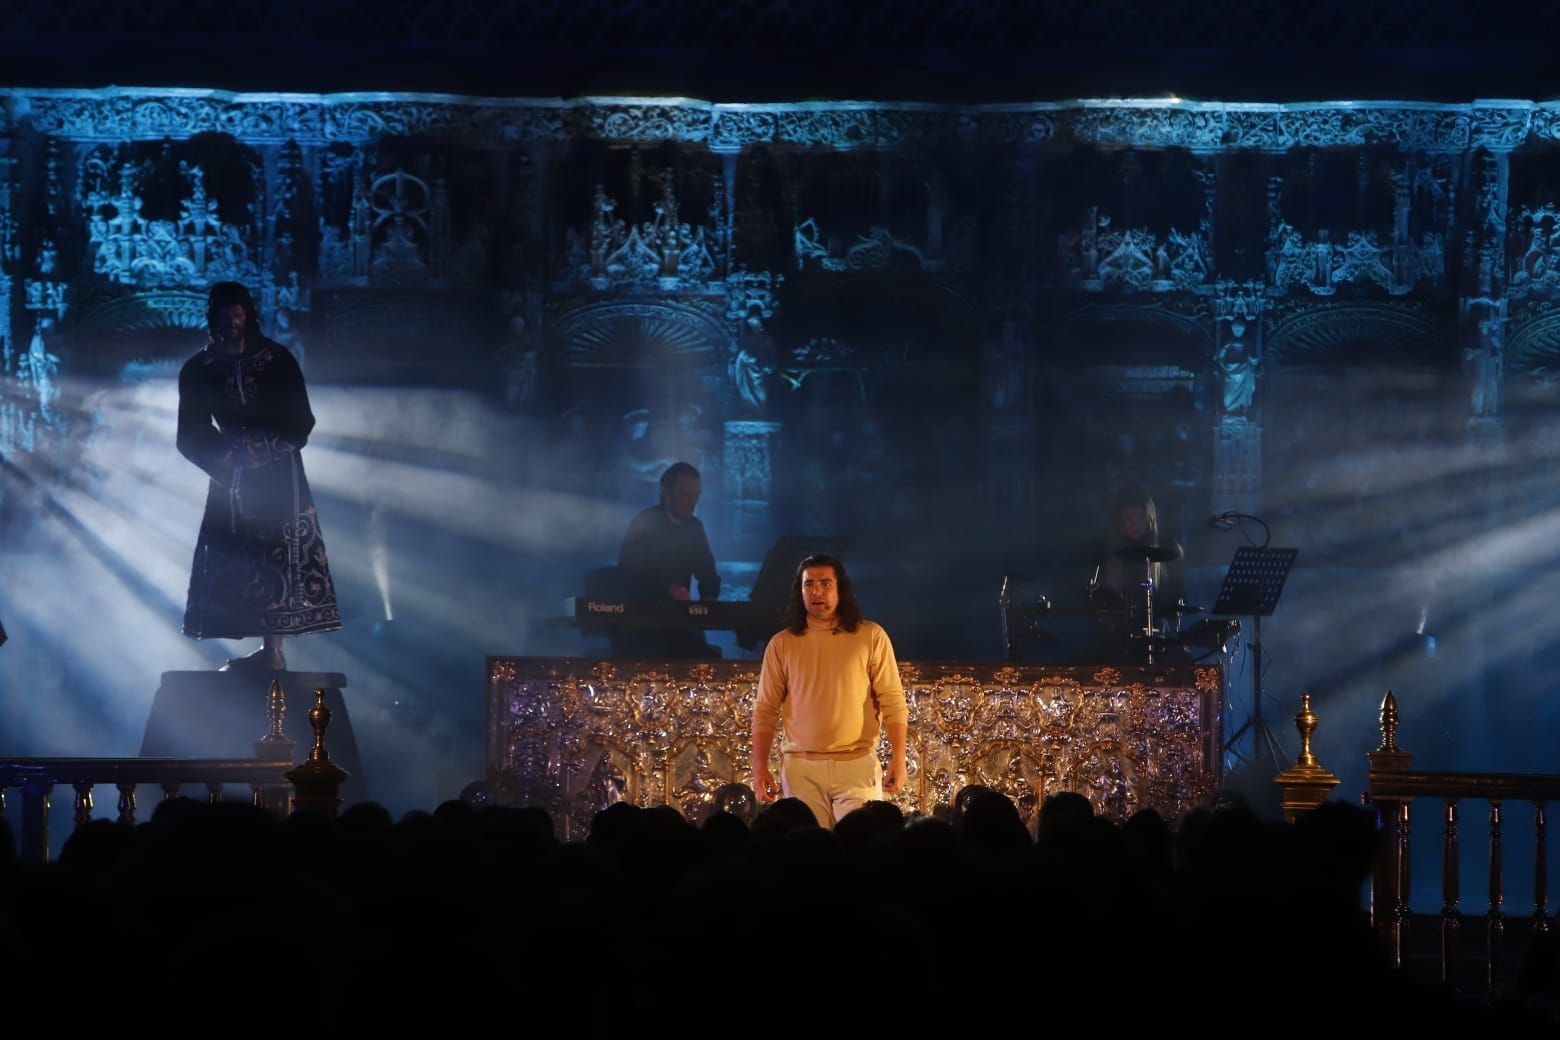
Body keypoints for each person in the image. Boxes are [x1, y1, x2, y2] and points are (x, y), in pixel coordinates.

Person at [178, 281, 339, 670]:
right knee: (234, 556)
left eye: (239, 314)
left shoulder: (277, 360)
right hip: (230, 481)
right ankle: (262, 653)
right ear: (214, 317)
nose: (234, 322)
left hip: (278, 476)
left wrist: (260, 449)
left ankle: (275, 652)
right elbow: (190, 434)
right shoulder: (199, 369)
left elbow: (300, 420)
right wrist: (228, 456)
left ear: (248, 315)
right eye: (226, 315)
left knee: (280, 558)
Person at [750, 554, 908, 829]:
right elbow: (765, 709)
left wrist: (899, 757)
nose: (816, 591)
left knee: (861, 849)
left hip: (856, 764)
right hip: (802, 768)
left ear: (840, 590)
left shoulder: (870, 636)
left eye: (825, 583)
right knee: (810, 856)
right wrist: (760, 767)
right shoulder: (782, 644)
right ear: (800, 592)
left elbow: (893, 700)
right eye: (809, 584)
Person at [612, 461, 721, 657]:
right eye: (685, 494)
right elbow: (628, 574)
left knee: (707, 662)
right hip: (642, 625)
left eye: (696, 495)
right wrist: (667, 590)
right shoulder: (644, 522)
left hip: (679, 622)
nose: (691, 501)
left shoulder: (694, 528)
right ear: (666, 491)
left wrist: (709, 598)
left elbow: (707, 571)